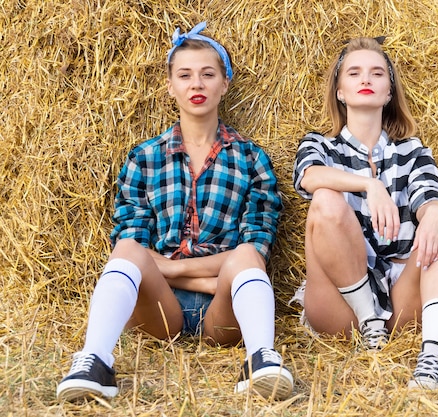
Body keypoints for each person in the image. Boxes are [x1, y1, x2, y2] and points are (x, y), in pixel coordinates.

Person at [57, 22, 293, 402]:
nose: (196, 84)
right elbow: (133, 248)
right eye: (184, 75)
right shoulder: (145, 158)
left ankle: (260, 359)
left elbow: (255, 251)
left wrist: (171, 267)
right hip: (159, 310)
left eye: (207, 74)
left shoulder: (251, 159)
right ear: (171, 87)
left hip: (225, 311)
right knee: (128, 250)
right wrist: (198, 273)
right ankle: (95, 360)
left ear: (225, 84)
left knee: (247, 255)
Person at [292, 37, 438, 389]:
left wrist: (432, 216)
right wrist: (369, 185)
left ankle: (432, 357)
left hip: (401, 299)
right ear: (339, 91)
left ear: (388, 92)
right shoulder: (320, 146)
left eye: (376, 73)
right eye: (354, 73)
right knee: (325, 200)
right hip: (340, 304)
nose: (366, 79)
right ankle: (369, 323)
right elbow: (308, 177)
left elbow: (431, 195)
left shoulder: (411, 151)